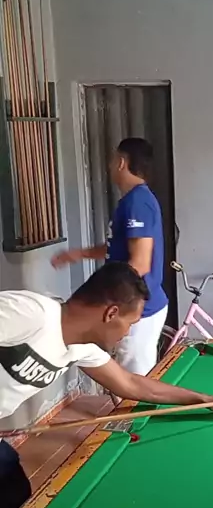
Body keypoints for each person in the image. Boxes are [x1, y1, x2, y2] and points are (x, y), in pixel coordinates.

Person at [0, 262, 213, 508]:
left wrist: (205, 400)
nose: (128, 333)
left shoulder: (82, 346)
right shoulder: (30, 313)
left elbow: (130, 384)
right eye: (130, 323)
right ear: (111, 313)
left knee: (14, 493)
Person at [52, 137, 167, 375]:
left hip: (137, 309)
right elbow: (117, 247)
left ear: (121, 162)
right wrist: (79, 254)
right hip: (132, 306)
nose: (110, 165)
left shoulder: (138, 202)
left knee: (135, 379)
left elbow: (140, 264)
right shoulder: (132, 201)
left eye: (113, 159)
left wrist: (104, 299)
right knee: (127, 374)